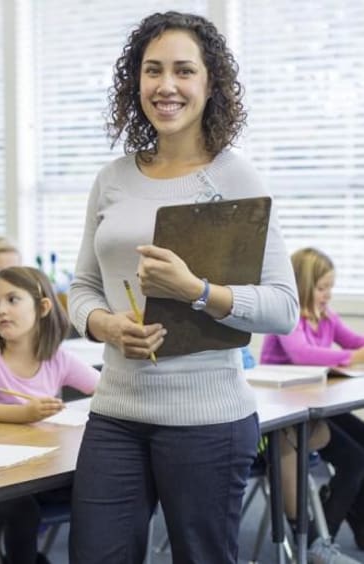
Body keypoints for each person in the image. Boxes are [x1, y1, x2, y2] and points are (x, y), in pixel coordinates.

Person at [67, 11, 299, 564]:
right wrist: (104, 325)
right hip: (117, 412)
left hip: (208, 421)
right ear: (135, 82)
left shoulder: (235, 177)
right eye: (152, 71)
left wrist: (196, 289)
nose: (165, 86)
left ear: (209, 83)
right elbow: (81, 287)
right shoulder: (113, 178)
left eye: (183, 71)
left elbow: (283, 307)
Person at [0, 266, 99, 564]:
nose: (1, 310)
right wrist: (24, 413)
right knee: (22, 509)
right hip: (2, 476)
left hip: (46, 471)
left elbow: (103, 390)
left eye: (12, 300)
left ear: (44, 307)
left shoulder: (57, 359)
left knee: (95, 491)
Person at [262, 247, 364, 551]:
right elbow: (302, 354)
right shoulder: (288, 318)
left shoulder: (326, 316)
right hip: (287, 418)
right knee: (356, 462)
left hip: (317, 408)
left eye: (331, 287)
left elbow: (356, 342)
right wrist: (351, 356)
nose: (328, 295)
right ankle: (320, 541)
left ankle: (357, 525)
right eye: (322, 288)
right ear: (304, 287)